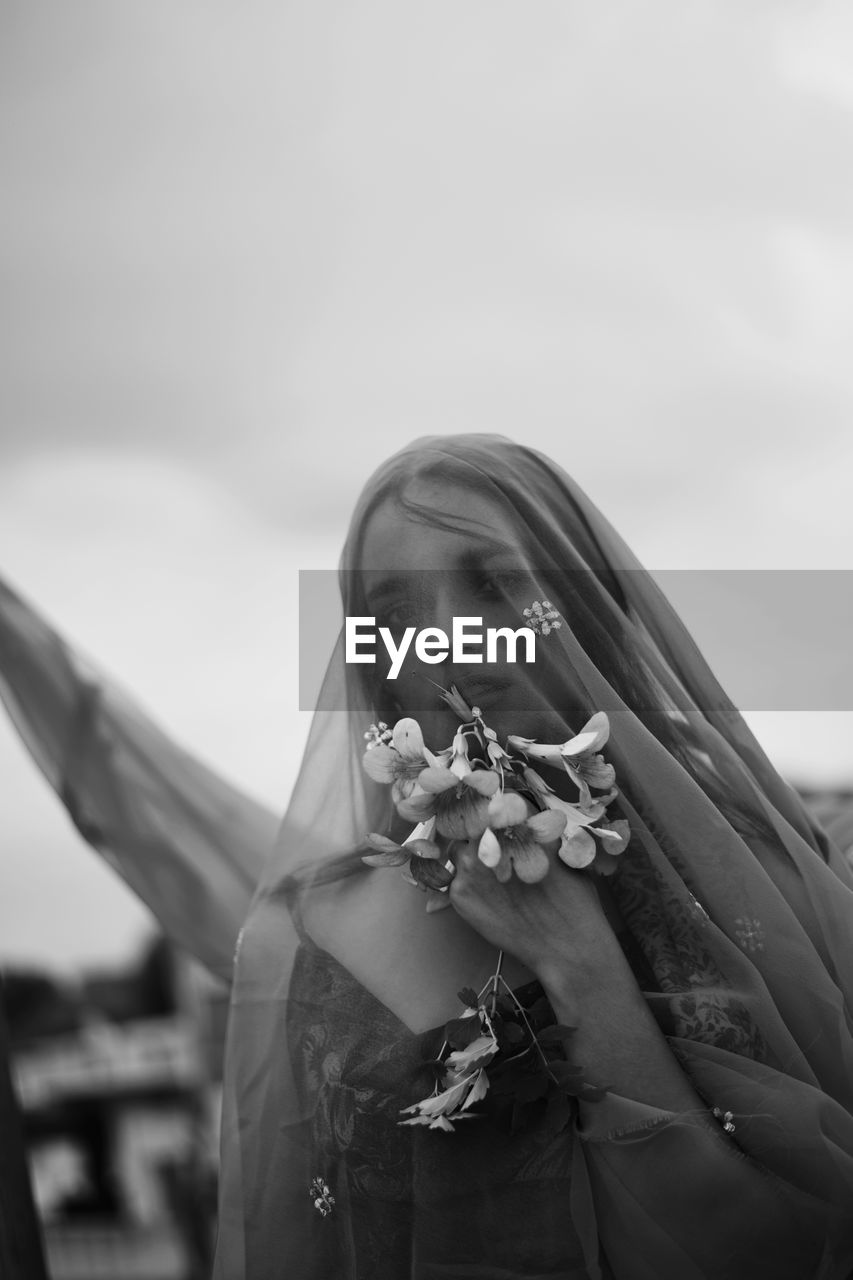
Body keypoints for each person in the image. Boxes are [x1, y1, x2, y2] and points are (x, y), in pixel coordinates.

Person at [3, 434, 853, 1280]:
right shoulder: (306, 937)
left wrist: (577, 960)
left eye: (494, 585)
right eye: (399, 618)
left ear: (592, 609)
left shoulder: (757, 886)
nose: (449, 637)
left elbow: (787, 1246)